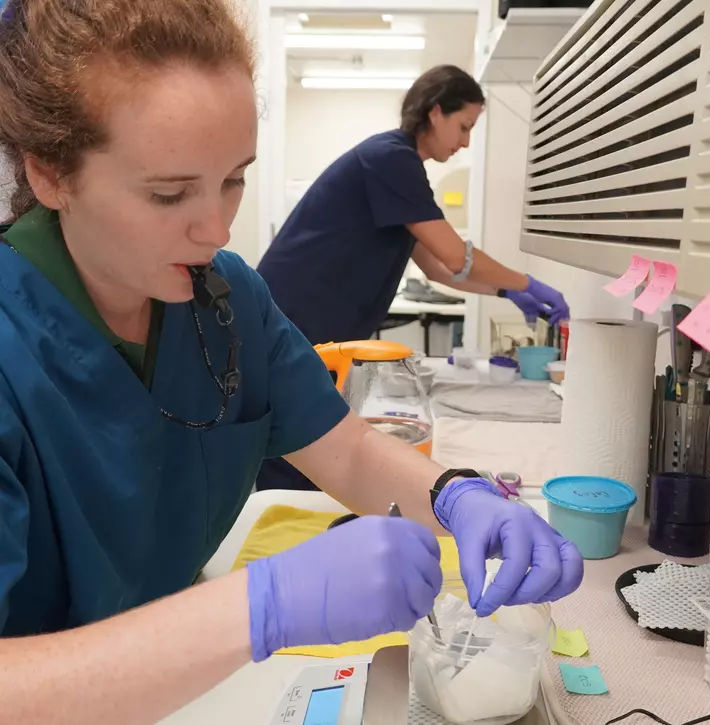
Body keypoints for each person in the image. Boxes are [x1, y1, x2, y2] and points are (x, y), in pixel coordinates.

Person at [0, 2, 583, 723]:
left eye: (233, 179)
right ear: (52, 175)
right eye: (169, 192)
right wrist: (260, 608)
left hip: (185, 686)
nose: (217, 228)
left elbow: (346, 450)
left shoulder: (226, 301)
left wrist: (459, 497)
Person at [256, 64, 570, 492]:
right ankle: (285, 538)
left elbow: (440, 269)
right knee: (297, 449)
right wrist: (525, 282)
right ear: (436, 112)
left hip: (320, 325)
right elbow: (454, 253)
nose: (465, 141)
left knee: (311, 442)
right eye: (464, 126)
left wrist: (505, 291)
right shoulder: (390, 158)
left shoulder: (399, 166)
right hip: (298, 318)